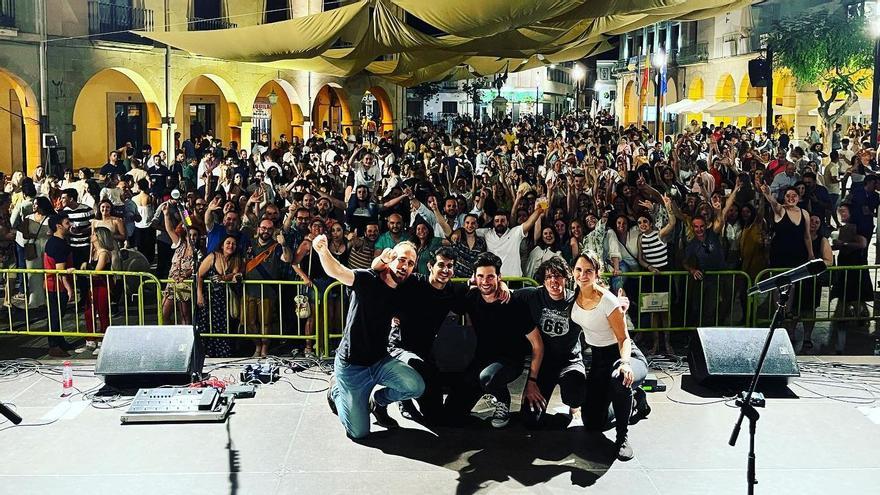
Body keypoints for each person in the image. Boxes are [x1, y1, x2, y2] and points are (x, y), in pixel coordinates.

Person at [313, 235, 425, 440]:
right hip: (351, 367)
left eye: (410, 263)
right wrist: (322, 251)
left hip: (379, 361)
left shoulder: (403, 290)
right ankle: (336, 391)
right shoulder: (367, 279)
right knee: (359, 432)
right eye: (401, 259)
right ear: (390, 258)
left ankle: (378, 401)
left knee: (415, 386)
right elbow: (338, 271)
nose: (405, 266)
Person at [570, 252, 649, 461]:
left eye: (588, 271)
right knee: (593, 423)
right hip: (599, 359)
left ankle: (622, 437)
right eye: (579, 270)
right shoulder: (573, 299)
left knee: (619, 380)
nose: (583, 275)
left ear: (597, 274)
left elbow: (624, 339)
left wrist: (625, 364)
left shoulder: (608, 301)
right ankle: (634, 400)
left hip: (625, 354)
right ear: (572, 272)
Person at [244, 218, 292, 358]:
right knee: (250, 323)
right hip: (249, 289)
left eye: (269, 229)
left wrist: (283, 245)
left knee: (266, 322)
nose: (266, 231)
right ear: (258, 229)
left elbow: (288, 259)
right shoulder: (250, 244)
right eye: (263, 228)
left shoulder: (276, 246)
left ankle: (264, 349)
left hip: (268, 291)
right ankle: (257, 346)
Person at [76, 226, 121, 356]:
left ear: (99, 237)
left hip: (102, 285)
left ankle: (103, 341)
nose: (91, 236)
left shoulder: (103, 253)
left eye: (94, 234)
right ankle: (90, 340)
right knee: (89, 312)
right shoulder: (94, 252)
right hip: (93, 285)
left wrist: (81, 271)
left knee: (102, 313)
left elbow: (97, 273)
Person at [196, 235, 243, 358]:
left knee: (223, 327)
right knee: (206, 325)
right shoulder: (213, 256)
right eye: (228, 243)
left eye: (233, 243)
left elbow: (235, 274)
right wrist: (199, 294)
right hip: (209, 299)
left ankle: (221, 353)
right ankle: (205, 353)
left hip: (224, 300)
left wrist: (225, 277)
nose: (230, 246)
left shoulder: (236, 259)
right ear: (222, 245)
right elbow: (199, 275)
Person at [160, 201, 201, 326]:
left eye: (195, 235)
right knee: (163, 314)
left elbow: (196, 268)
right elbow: (172, 229)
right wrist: (167, 214)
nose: (192, 237)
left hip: (185, 286)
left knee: (185, 316)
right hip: (172, 284)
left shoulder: (199, 252)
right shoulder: (180, 244)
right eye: (190, 235)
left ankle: (185, 342)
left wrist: (185, 275)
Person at [43, 214, 75, 357]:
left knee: (56, 315)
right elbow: (60, 271)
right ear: (59, 226)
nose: (70, 225)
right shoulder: (59, 245)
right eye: (67, 222)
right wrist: (69, 289)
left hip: (52, 284)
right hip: (56, 286)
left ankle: (59, 341)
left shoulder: (53, 242)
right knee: (55, 315)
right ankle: (54, 345)